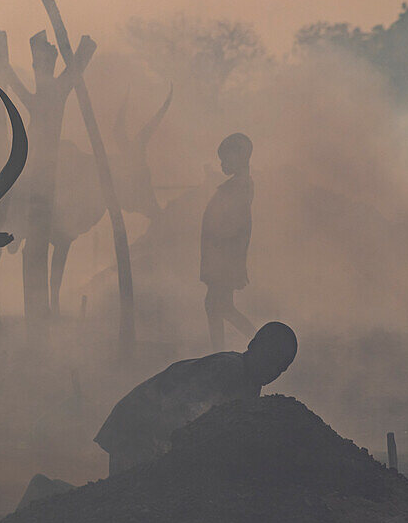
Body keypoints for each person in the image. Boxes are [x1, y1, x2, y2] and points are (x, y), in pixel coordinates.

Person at [94, 321, 297, 475]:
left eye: (280, 368)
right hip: (136, 425)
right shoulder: (227, 370)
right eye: (270, 360)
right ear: (253, 345)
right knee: (130, 493)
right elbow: (187, 415)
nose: (272, 371)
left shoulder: (250, 385)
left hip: (147, 426)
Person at [201, 132, 256, 352]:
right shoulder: (236, 186)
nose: (222, 163)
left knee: (218, 306)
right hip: (221, 257)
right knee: (218, 306)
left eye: (226, 158)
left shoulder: (239, 187)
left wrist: (221, 248)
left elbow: (235, 226)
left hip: (224, 258)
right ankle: (221, 351)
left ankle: (257, 343)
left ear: (240, 156)